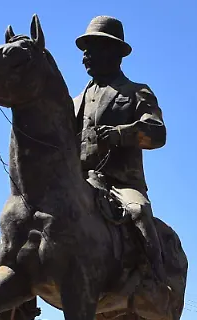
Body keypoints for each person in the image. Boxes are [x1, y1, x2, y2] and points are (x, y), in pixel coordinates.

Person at [72, 15, 169, 287]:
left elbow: (157, 133)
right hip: (79, 182)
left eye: (94, 49)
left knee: (138, 211)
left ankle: (155, 281)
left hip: (119, 184)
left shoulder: (136, 92)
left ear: (115, 53)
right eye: (84, 50)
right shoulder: (75, 101)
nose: (86, 56)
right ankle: (26, 293)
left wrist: (122, 134)